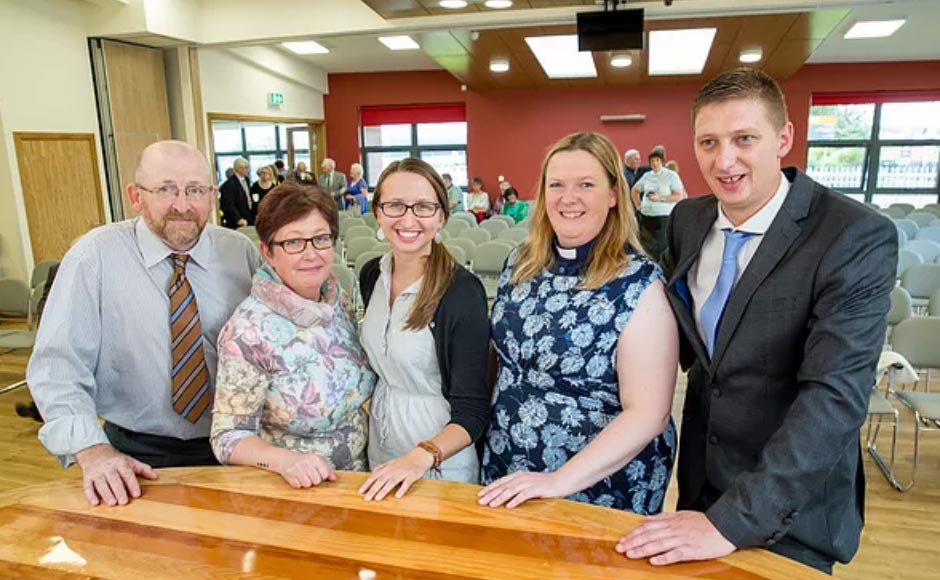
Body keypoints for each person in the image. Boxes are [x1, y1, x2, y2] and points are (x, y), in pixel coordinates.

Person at [616, 68, 897, 573]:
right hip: (699, 486)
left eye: (744, 138)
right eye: (708, 142)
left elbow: (834, 398)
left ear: (783, 138)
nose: (724, 160)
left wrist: (733, 522)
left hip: (791, 507)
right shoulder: (687, 220)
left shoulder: (854, 235)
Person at [26, 140, 259, 507]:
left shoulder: (239, 253)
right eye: (165, 189)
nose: (182, 205)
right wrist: (92, 451)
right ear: (135, 196)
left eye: (195, 190)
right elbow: (57, 368)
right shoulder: (94, 257)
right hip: (138, 456)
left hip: (241, 446)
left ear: (212, 195)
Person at [479, 132, 678, 514]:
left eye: (586, 185)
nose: (568, 198)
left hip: (597, 486)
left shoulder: (639, 283)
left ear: (613, 194)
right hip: (508, 466)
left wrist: (558, 481)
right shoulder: (519, 263)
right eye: (556, 185)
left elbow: (648, 412)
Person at [211, 182, 376, 488]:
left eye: (320, 239)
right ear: (268, 252)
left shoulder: (337, 299)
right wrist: (286, 462)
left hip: (359, 480)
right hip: (295, 488)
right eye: (294, 242)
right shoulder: (248, 331)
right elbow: (227, 437)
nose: (311, 254)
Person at [357, 158, 490, 501]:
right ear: (377, 212)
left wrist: (419, 458)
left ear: (442, 216)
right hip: (382, 450)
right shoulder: (371, 274)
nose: (408, 219)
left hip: (438, 462)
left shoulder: (461, 291)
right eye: (395, 205)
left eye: (423, 207)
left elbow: (473, 412)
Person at [631, 148, 686, 260]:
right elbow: (635, 190)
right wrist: (638, 205)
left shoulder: (671, 175)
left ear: (662, 162)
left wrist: (660, 198)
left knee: (661, 247)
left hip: (663, 217)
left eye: (657, 160)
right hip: (646, 216)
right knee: (646, 247)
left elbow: (678, 195)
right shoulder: (647, 175)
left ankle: (662, 267)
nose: (655, 163)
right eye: (652, 161)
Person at [219, 157, 254, 228]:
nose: (248, 170)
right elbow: (228, 204)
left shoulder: (246, 180)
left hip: (248, 216)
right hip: (237, 220)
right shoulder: (229, 184)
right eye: (246, 167)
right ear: (238, 169)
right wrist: (238, 218)